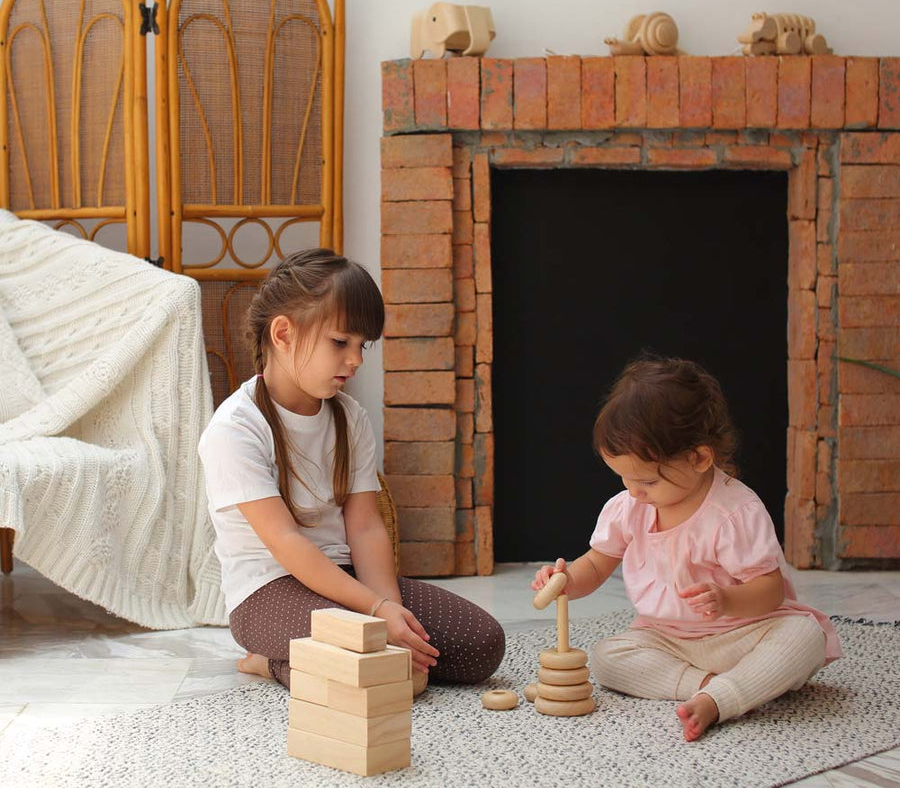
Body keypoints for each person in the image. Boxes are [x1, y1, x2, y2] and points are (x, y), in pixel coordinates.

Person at [199, 248, 504, 691]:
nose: (356, 359)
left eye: (362, 346)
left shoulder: (350, 418)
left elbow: (365, 528)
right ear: (283, 334)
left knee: (482, 644)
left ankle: (355, 652)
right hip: (267, 593)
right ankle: (267, 662)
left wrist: (392, 612)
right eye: (340, 342)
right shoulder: (235, 429)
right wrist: (376, 614)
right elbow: (286, 542)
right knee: (387, 673)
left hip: (346, 580)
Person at [531, 356, 840, 741]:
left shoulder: (733, 512)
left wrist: (727, 600)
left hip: (743, 632)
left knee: (804, 636)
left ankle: (722, 696)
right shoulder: (630, 507)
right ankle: (711, 686)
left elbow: (770, 590)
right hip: (668, 639)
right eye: (624, 478)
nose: (633, 491)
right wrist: (566, 580)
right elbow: (595, 564)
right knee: (607, 658)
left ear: (698, 458)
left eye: (645, 480)